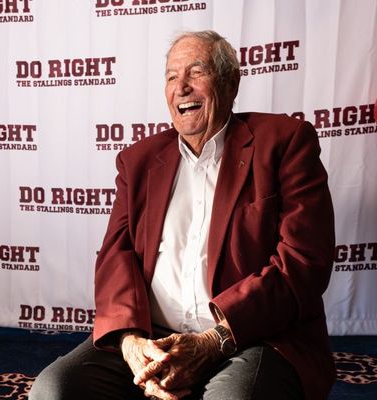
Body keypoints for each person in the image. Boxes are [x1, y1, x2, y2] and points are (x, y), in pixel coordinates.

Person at [29, 30, 335, 400]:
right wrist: (131, 342)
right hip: (152, 335)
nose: (182, 87)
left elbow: (303, 262)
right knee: (54, 388)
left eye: (196, 72)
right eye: (172, 76)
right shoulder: (138, 161)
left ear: (230, 82)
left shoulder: (284, 141)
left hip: (249, 337)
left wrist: (214, 339)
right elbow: (116, 257)